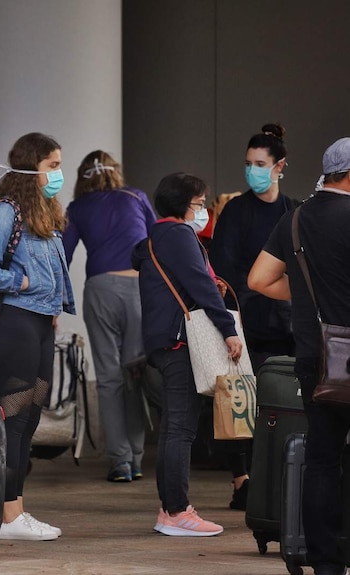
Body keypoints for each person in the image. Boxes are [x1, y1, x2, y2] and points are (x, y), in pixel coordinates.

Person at [248, 137, 350, 575]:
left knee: (323, 459)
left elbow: (259, 280)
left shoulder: (296, 218)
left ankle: (325, 562)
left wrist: (309, 299)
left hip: (318, 360)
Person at [0, 132, 75, 541]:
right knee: (14, 418)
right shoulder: (5, 212)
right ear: (32, 168)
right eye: (52, 166)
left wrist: (53, 306)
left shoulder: (44, 211)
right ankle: (8, 515)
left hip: (40, 322)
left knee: (30, 416)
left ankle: (14, 508)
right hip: (13, 322)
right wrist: (23, 280)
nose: (58, 174)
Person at [131, 172, 242, 537]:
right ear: (183, 204)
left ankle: (171, 509)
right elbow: (200, 285)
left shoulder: (154, 237)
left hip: (164, 340)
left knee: (174, 428)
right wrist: (228, 329)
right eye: (199, 203)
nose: (203, 210)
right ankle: (176, 511)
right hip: (181, 341)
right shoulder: (179, 235)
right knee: (180, 427)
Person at [208, 123, 296, 511]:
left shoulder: (293, 211)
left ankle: (281, 478)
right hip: (244, 325)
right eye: (248, 163)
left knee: (283, 404)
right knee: (240, 403)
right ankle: (242, 480)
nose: (252, 170)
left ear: (280, 166)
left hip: (289, 326)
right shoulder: (236, 212)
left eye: (260, 163)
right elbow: (222, 270)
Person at [62, 150, 155, 483]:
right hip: (139, 289)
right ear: (116, 172)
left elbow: (64, 254)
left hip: (100, 289)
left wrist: (55, 303)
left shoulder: (77, 208)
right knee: (134, 374)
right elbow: (157, 242)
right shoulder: (136, 197)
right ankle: (138, 457)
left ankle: (120, 461)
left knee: (108, 378)